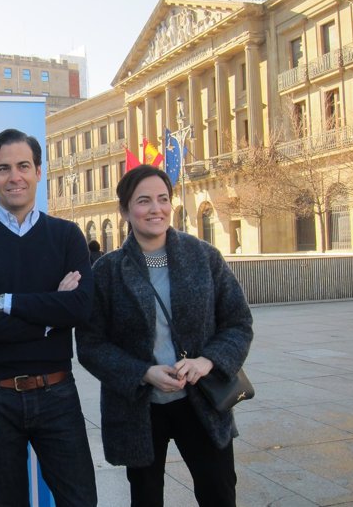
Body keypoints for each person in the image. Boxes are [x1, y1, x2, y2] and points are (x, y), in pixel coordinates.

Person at [76, 165, 253, 507]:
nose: (155, 209)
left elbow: (238, 322)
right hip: (139, 408)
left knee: (218, 492)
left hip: (200, 401)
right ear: (125, 210)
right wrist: (143, 372)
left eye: (162, 199)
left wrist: (207, 361)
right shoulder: (108, 271)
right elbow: (90, 344)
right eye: (143, 201)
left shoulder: (204, 257)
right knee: (145, 497)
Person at [0, 128, 98, 507]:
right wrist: (51, 315)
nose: (14, 176)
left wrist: (7, 303)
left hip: (57, 391)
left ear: (38, 171)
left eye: (23, 166)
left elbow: (80, 307)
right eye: (3, 169)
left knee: (81, 500)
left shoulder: (67, 237)